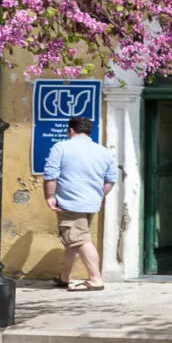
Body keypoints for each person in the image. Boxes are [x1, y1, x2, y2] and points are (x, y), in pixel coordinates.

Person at [43, 115, 119, 291]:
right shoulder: (103, 151)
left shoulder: (61, 147)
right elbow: (110, 180)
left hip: (70, 202)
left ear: (71, 130)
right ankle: (65, 276)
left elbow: (51, 175)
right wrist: (98, 195)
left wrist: (50, 196)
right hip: (91, 203)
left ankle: (95, 279)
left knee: (80, 239)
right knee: (74, 240)